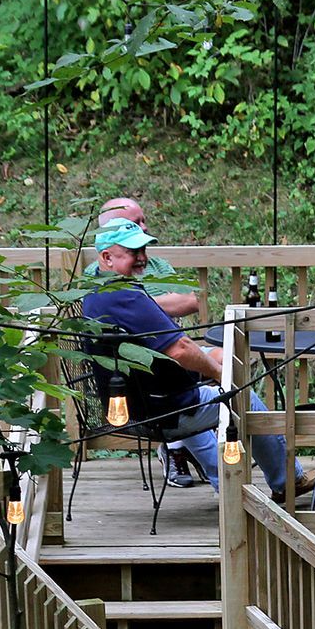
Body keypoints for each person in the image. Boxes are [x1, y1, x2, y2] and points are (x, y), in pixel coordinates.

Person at [82, 219, 315, 505]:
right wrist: (220, 374)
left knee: (200, 387)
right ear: (107, 257)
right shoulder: (123, 296)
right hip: (161, 409)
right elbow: (180, 349)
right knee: (244, 398)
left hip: (137, 401)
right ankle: (286, 483)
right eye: (134, 252)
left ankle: (226, 485)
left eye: (143, 249)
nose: (143, 257)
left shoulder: (97, 291)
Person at [89, 198, 204, 486]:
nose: (145, 226)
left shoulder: (156, 265)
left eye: (142, 221)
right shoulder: (98, 282)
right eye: (137, 223)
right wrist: (140, 310)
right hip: (148, 374)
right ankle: (180, 453)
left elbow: (191, 301)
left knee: (219, 359)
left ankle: (206, 462)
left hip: (172, 350)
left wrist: (142, 308)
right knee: (201, 383)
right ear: (107, 256)